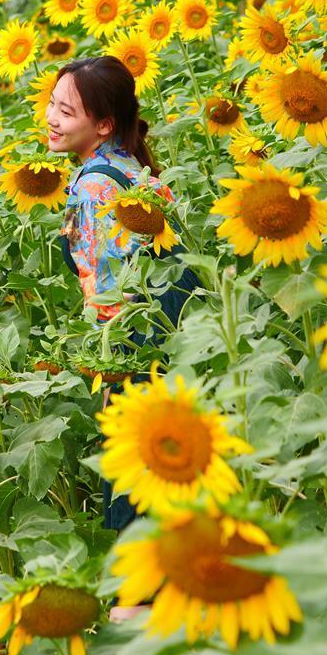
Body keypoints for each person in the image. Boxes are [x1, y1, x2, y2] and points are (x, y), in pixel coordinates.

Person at [47, 56, 198, 537]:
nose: (52, 118)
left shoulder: (93, 184)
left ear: (103, 124)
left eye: (66, 112)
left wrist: (110, 367)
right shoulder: (132, 167)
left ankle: (133, 603)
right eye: (52, 104)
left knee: (132, 474)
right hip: (174, 337)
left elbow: (111, 287)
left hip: (134, 345)